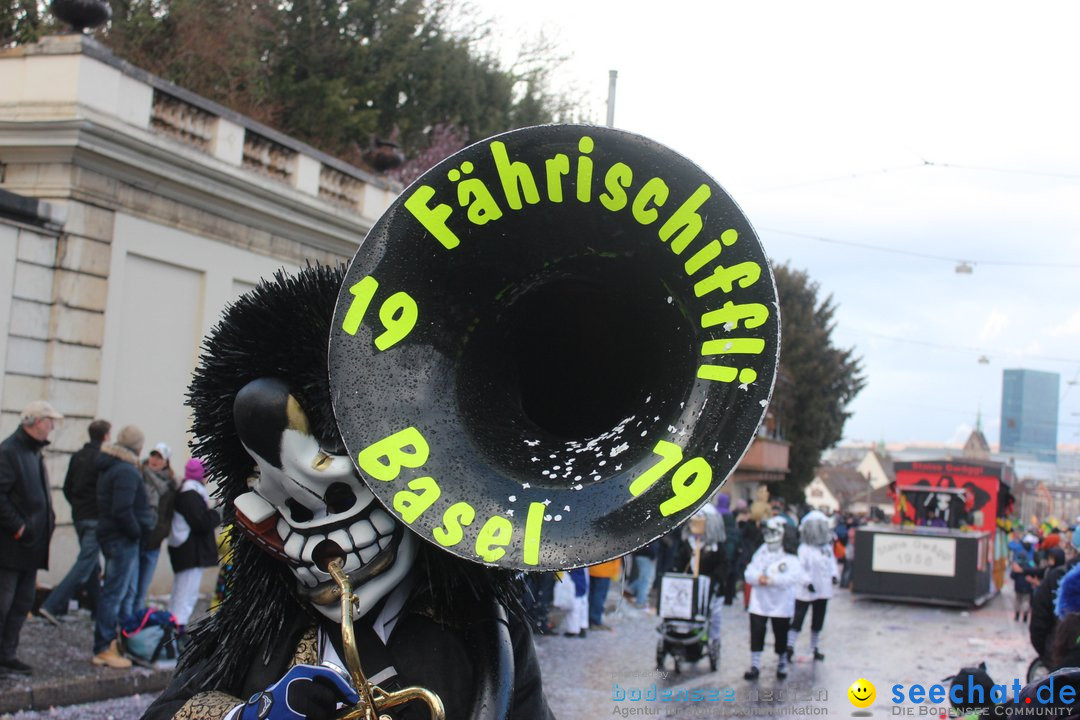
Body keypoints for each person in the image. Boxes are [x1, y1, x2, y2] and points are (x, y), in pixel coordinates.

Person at [0, 400, 62, 675]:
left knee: (21, 604)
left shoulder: (33, 452)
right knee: (3, 603)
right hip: (11, 546)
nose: (52, 427)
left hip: (30, 547)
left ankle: (7, 654)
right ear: (36, 422)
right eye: (49, 421)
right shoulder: (10, 451)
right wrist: (19, 526)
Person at [93, 424, 154, 669]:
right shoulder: (126, 471)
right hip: (122, 539)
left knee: (114, 593)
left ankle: (109, 643)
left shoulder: (111, 466)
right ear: (138, 446)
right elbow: (122, 510)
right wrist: (137, 531)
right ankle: (103, 647)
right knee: (114, 594)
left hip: (114, 537)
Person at [38, 418, 110, 625]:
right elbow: (104, 492)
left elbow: (67, 487)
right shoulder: (102, 458)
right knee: (85, 564)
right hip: (95, 518)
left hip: (80, 517)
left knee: (92, 565)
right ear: (105, 436)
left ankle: (98, 610)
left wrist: (78, 508)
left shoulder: (78, 456)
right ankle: (52, 605)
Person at [743, 516, 808, 680]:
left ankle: (782, 662)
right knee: (757, 632)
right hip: (760, 601)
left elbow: (793, 576)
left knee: (781, 634)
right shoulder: (762, 551)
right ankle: (755, 664)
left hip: (780, 603)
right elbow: (749, 571)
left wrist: (773, 580)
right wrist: (758, 578)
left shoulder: (790, 555)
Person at [167, 458, 221, 634]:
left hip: (186, 550)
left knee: (183, 591)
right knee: (186, 592)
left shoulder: (186, 491)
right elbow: (200, 522)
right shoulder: (191, 494)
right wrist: (216, 513)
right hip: (190, 551)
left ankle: (174, 626)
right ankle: (177, 630)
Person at [787, 510, 838, 662]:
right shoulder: (804, 549)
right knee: (798, 618)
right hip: (806, 590)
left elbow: (831, 563)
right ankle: (789, 645)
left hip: (823, 589)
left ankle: (814, 647)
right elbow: (799, 568)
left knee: (818, 619)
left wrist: (834, 575)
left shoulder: (826, 548)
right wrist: (806, 581)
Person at [131, 442, 177, 611]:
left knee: (142, 588)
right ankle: (124, 625)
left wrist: (161, 533)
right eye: (153, 455)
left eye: (160, 457)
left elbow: (168, 515)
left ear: (166, 462)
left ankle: (133, 628)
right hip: (135, 537)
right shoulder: (138, 474)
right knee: (130, 587)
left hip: (154, 542)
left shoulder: (171, 485)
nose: (155, 460)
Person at [587, 557, 620, 631]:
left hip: (590, 568)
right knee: (599, 596)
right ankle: (594, 621)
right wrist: (615, 571)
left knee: (590, 595)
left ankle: (587, 619)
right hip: (604, 570)